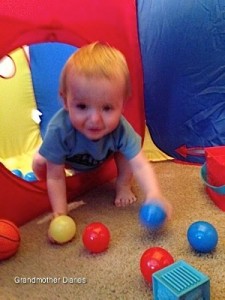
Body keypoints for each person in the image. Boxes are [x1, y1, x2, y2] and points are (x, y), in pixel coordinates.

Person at [32, 42, 172, 220]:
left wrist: (154, 194)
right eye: (82, 106)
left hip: (99, 157)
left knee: (126, 152)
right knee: (41, 162)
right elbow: (56, 177)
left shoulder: (120, 128)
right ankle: (43, 158)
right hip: (67, 160)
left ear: (122, 104)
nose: (95, 120)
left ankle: (123, 185)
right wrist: (60, 214)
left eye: (107, 108)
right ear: (65, 101)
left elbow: (140, 163)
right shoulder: (59, 129)